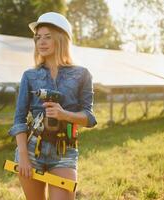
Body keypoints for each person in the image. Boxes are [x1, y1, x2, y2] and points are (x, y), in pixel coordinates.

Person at [8, 12, 97, 200]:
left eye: (48, 37)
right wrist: (23, 156)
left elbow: (89, 118)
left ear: (61, 39)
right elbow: (19, 119)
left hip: (64, 150)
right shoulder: (29, 76)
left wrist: (65, 114)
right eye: (38, 37)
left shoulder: (82, 74)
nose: (41, 42)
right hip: (32, 150)